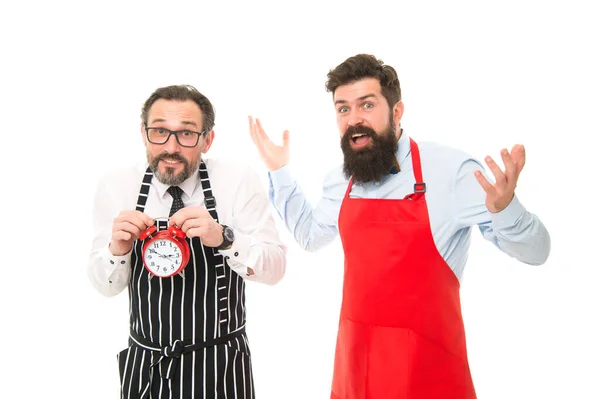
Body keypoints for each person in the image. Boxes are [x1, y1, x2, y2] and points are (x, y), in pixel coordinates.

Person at [249, 54, 551, 399]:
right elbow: (311, 236)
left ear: (396, 111)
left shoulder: (450, 172)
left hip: (430, 372)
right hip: (356, 370)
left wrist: (506, 209)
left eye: (367, 105)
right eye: (343, 109)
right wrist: (279, 171)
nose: (354, 119)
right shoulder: (342, 180)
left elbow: (538, 253)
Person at [89, 84, 286, 399]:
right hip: (147, 368)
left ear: (207, 139)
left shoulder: (235, 180)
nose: (171, 147)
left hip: (221, 367)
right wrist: (118, 251)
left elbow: (276, 268)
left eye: (186, 134)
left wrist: (224, 238)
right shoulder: (117, 185)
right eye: (159, 132)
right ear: (144, 134)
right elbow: (105, 286)